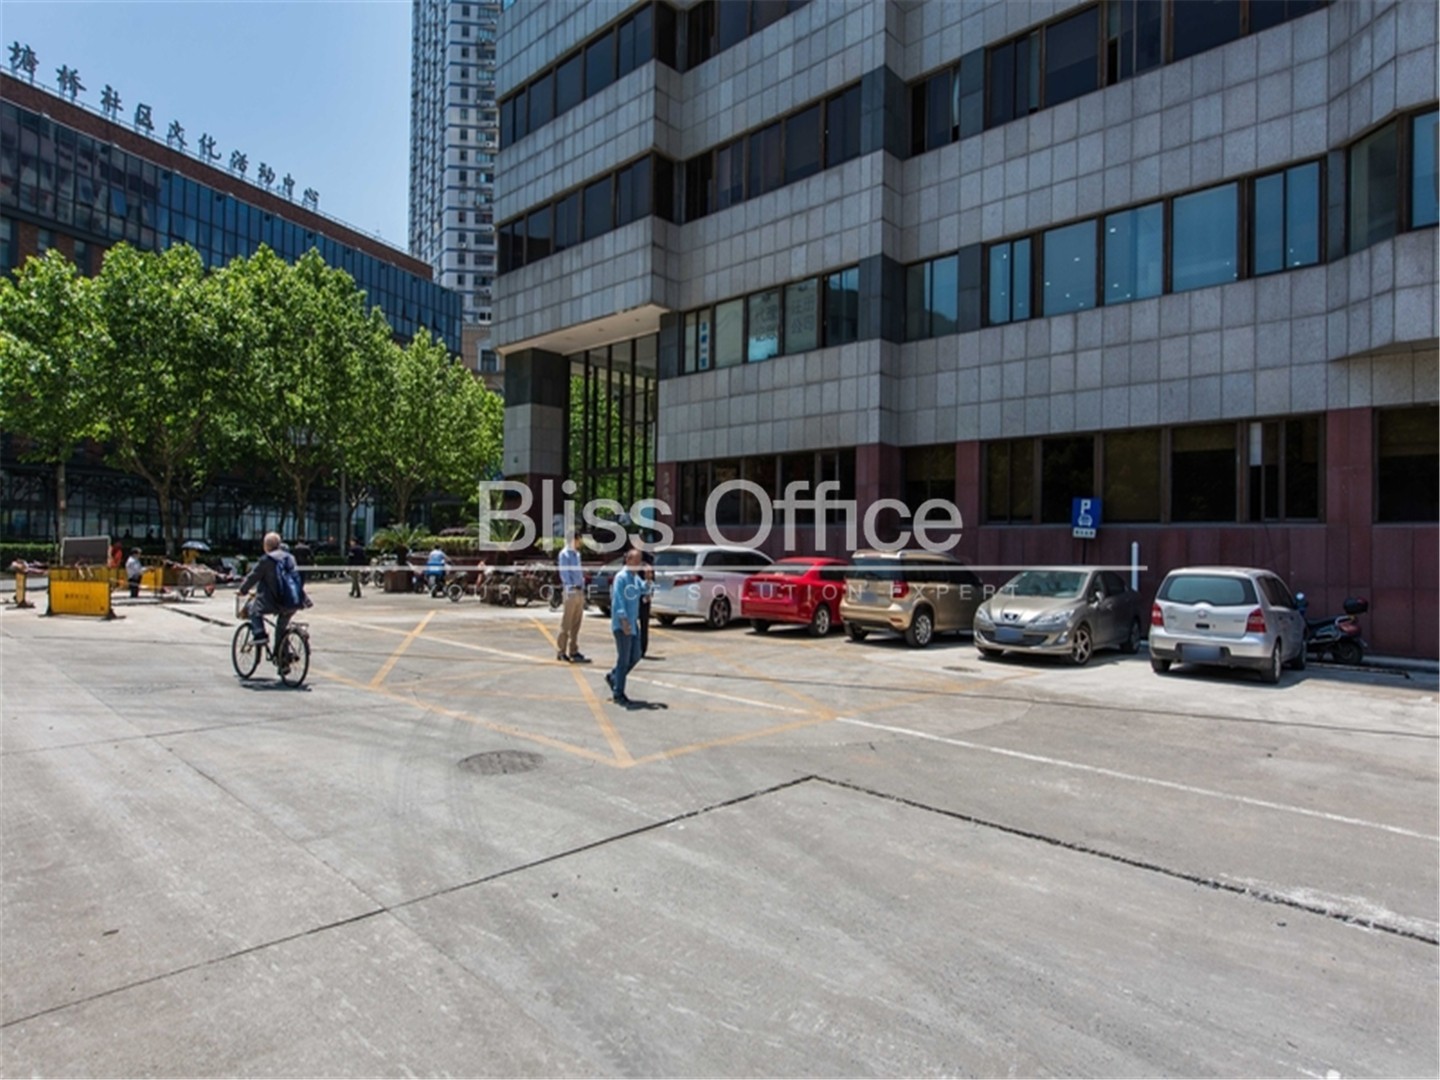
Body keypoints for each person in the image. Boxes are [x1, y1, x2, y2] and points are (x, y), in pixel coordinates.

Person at [238, 532, 307, 662]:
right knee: (281, 628)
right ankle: (282, 657)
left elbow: (253, 577)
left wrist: (242, 590)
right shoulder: (290, 557)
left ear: (266, 546)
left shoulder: (267, 560)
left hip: (274, 601)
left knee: (252, 607)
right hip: (294, 600)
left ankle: (260, 634)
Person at [604, 548, 649, 707]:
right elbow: (617, 601)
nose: (638, 565)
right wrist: (623, 620)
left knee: (636, 655)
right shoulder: (621, 577)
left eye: (639, 562)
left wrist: (649, 579)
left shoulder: (635, 578)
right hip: (622, 624)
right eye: (635, 561)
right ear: (628, 560)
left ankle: (614, 676)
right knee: (623, 659)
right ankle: (619, 693)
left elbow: (645, 591)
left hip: (633, 623)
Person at [555, 530, 588, 663]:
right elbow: (564, 574)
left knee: (576, 623)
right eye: (579, 539)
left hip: (579, 590)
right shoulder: (564, 554)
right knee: (566, 623)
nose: (580, 542)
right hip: (571, 591)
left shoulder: (577, 554)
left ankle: (573, 650)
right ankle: (561, 651)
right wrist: (570, 588)